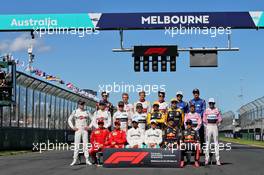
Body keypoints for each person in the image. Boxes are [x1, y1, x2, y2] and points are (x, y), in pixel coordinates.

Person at [67, 100, 92, 166]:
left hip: (85, 130)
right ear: (78, 104)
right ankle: (74, 159)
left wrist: (89, 126)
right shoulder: (75, 111)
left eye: (83, 104)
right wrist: (73, 127)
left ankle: (87, 159)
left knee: (85, 145)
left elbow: (93, 119)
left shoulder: (87, 111)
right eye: (80, 104)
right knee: (76, 145)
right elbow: (69, 119)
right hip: (77, 130)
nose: (82, 105)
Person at [203, 98, 222, 166]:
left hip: (215, 127)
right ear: (208, 103)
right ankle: (206, 159)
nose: (211, 104)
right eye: (210, 103)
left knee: (216, 143)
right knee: (207, 143)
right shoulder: (206, 110)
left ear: (214, 103)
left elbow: (220, 119)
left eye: (212, 103)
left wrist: (217, 125)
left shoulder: (217, 110)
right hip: (208, 127)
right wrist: (206, 127)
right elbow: (204, 120)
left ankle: (217, 160)